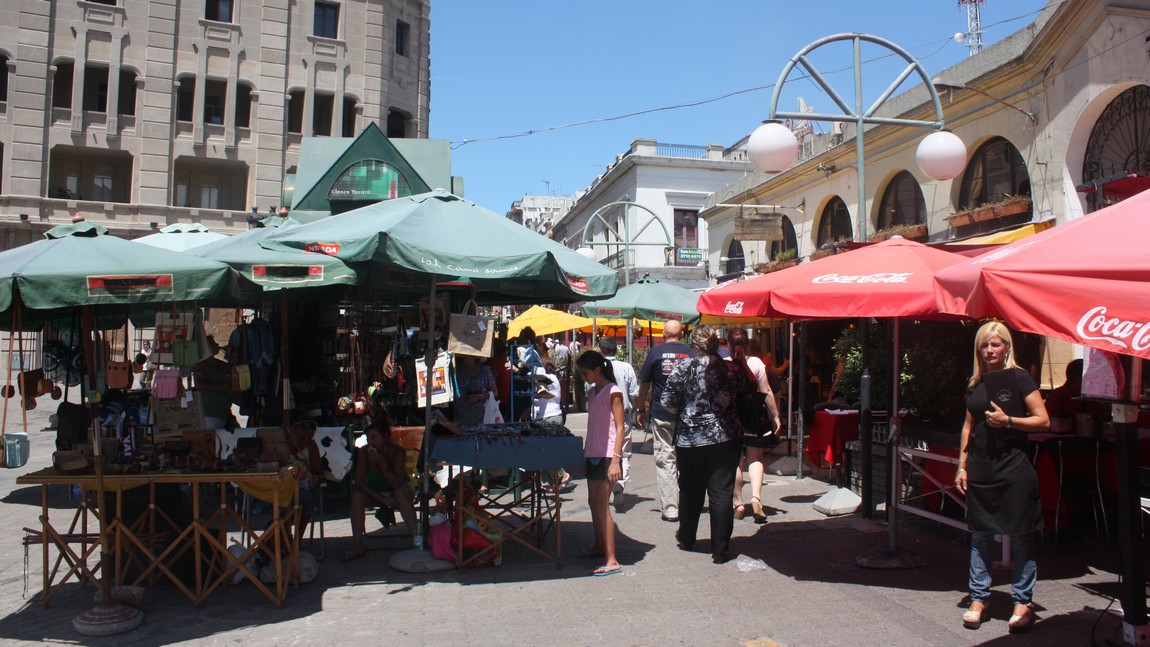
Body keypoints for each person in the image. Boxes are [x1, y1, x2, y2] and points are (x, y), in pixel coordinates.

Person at [955, 321, 1049, 632]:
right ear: (978, 350)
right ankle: (979, 598)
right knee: (980, 535)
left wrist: (1008, 421)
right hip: (982, 467)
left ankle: (1023, 601)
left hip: (1014, 467)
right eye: (985, 345)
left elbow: (1043, 421)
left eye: (996, 344)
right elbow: (969, 426)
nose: (990, 350)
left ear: (1007, 347)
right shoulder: (976, 382)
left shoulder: (1020, 378)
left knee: (1022, 534)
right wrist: (961, 464)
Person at [661, 325, 752, 564]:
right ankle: (720, 550)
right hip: (726, 437)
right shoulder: (731, 368)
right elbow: (746, 393)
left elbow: (667, 402)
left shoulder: (684, 368)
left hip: (690, 440)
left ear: (695, 345)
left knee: (691, 491)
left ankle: (687, 538)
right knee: (721, 493)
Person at [575, 350, 625, 576]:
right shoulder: (593, 392)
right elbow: (592, 425)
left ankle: (612, 559)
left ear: (597, 370)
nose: (583, 377)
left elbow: (621, 427)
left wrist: (616, 460)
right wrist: (586, 454)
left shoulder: (613, 391)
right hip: (593, 453)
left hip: (607, 456)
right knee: (593, 502)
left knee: (603, 506)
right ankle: (599, 545)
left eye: (585, 372)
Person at [636, 320, 693, 522]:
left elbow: (644, 383)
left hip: (662, 414)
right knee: (686, 460)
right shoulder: (691, 353)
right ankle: (689, 505)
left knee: (666, 459)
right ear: (682, 333)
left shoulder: (655, 353)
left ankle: (670, 508)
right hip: (687, 415)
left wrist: (640, 408)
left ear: (662, 333)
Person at [728, 329, 781, 523]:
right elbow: (766, 391)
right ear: (747, 344)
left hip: (732, 416)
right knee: (755, 457)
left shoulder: (725, 364)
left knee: (735, 460)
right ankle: (756, 498)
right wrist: (775, 416)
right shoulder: (757, 363)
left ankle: (738, 503)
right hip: (753, 415)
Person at [343, 422, 417, 561]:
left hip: (399, 489)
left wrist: (382, 463)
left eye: (374, 437)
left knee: (400, 493)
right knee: (357, 497)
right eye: (368, 438)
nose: (370, 442)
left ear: (385, 437)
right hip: (376, 491)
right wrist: (384, 500)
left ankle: (418, 540)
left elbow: (396, 483)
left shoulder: (398, 451)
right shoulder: (364, 452)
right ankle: (357, 545)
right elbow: (359, 484)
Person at [595, 337, 639, 512]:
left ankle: (606, 486)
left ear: (601, 350)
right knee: (624, 453)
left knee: (604, 451)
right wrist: (638, 409)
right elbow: (634, 392)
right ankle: (619, 483)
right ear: (616, 349)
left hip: (602, 417)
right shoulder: (626, 367)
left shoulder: (598, 368)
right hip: (624, 416)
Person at [288, 418, 325, 539]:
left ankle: (296, 541)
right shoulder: (281, 445)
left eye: (309, 439)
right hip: (282, 487)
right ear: (292, 432)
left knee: (305, 498)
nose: (305, 442)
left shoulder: (310, 446)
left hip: (302, 488)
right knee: (286, 501)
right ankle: (285, 538)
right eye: (301, 439)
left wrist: (315, 480)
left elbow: (320, 474)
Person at [193, 335, 234, 429]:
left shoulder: (214, 362)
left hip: (221, 411)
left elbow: (233, 369)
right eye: (214, 343)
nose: (217, 344)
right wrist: (221, 386)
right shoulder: (202, 364)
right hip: (210, 412)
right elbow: (199, 385)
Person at [453, 353, 496, 426]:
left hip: (480, 418)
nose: (465, 357)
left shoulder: (484, 371)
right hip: (459, 418)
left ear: (476, 357)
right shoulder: (457, 370)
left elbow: (495, 392)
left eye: (468, 355)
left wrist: (479, 396)